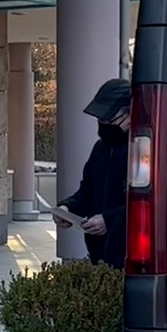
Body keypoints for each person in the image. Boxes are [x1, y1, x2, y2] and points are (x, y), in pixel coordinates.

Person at [57, 78, 133, 268]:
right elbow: (88, 191)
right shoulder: (100, 148)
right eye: (100, 120)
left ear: (131, 114)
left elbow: (149, 201)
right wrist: (68, 209)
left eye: (110, 120)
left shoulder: (145, 150)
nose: (104, 125)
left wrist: (108, 219)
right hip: (97, 250)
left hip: (127, 250)